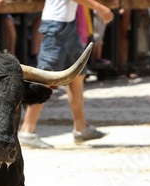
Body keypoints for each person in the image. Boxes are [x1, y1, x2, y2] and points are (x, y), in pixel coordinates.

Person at [18, 0, 114, 148]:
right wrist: (99, 7)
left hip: (67, 24)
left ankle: (81, 128)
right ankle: (27, 131)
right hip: (56, 25)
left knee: (78, 74)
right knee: (44, 77)